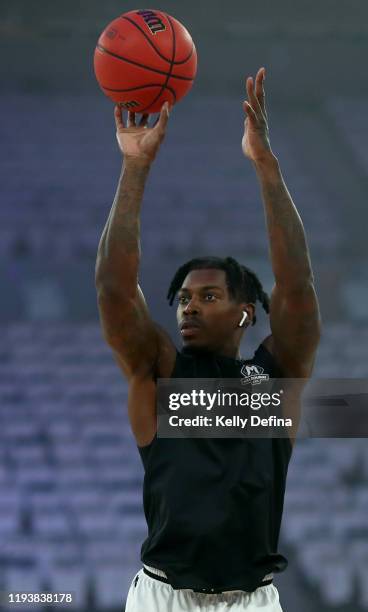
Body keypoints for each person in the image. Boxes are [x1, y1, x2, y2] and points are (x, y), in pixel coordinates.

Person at [95, 67, 321, 611]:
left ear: (247, 314)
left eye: (208, 296)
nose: (189, 305)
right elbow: (113, 289)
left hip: (254, 601)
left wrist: (267, 166)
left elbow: (296, 288)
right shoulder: (161, 373)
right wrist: (134, 167)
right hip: (163, 596)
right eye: (182, 299)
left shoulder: (274, 377)